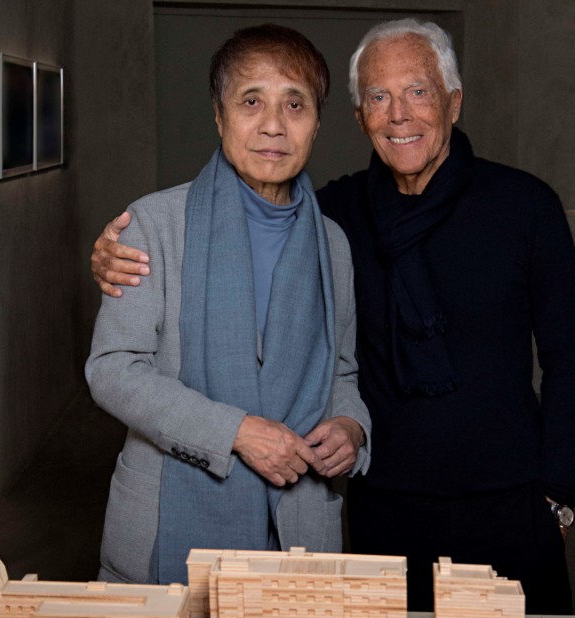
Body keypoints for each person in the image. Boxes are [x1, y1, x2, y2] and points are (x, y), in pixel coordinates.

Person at [91, 19, 575, 613]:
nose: (398, 114)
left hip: (505, 500)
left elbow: (569, 363)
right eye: (378, 97)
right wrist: (106, 256)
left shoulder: (507, 209)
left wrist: (556, 497)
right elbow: (116, 365)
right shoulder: (328, 217)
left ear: (453, 102)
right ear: (360, 117)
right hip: (382, 507)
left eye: (418, 91)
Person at [86, 24, 370, 585]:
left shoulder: (331, 244)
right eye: (251, 101)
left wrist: (350, 426)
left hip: (299, 528)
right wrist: (236, 431)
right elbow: (113, 370)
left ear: (316, 123)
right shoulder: (153, 225)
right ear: (220, 117)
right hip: (168, 522)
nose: (273, 125)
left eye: (295, 103)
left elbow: (341, 371)